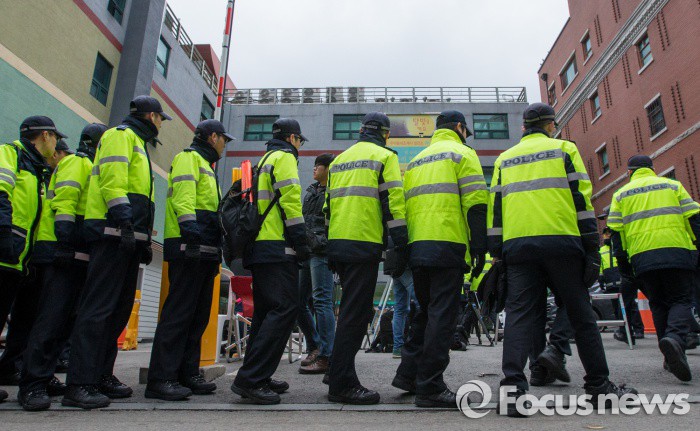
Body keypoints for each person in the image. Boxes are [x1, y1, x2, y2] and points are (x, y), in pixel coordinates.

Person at [488, 103, 635, 417]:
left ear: (524, 127)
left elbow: (496, 209)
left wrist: (497, 252)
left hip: (519, 247)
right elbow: (582, 201)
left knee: (520, 317)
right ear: (550, 125)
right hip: (562, 244)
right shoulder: (564, 149)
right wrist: (591, 248)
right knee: (581, 315)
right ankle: (598, 387)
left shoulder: (504, 159)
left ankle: (513, 392)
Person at [63, 96, 170, 409]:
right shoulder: (120, 136)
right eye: (160, 118)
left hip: (126, 238)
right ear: (151, 116)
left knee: (118, 310)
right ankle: (79, 383)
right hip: (111, 234)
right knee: (98, 309)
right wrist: (125, 223)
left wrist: (140, 239)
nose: (161, 123)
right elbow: (112, 182)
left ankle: (100, 375)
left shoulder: (137, 142)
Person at [392, 110, 488, 408]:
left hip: (418, 246)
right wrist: (480, 247)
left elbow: (404, 206)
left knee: (425, 312)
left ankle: (408, 374)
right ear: (460, 127)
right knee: (443, 315)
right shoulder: (463, 154)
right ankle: (431, 386)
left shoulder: (417, 161)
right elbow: (476, 204)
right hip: (448, 243)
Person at [18, 126, 106, 411]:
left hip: (74, 253)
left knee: (65, 321)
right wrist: (65, 239)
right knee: (51, 319)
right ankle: (32, 385)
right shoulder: (78, 163)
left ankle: (43, 377)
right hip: (60, 252)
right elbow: (65, 201)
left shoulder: (90, 166)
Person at [146, 120, 233, 400]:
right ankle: (161, 379)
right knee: (178, 315)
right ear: (213, 137)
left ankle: (187, 373)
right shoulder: (188, 158)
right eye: (224, 140)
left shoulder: (206, 166)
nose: (224, 146)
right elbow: (183, 200)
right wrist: (191, 234)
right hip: (189, 248)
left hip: (204, 250)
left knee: (197, 316)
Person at [325, 112, 408, 405]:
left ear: (361, 131)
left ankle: (335, 371)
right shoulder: (385, 157)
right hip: (363, 242)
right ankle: (342, 383)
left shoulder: (339, 160)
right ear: (385, 134)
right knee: (356, 315)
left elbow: (327, 207)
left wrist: (330, 245)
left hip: (338, 242)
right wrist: (402, 243)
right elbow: (393, 203)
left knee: (348, 310)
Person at [230, 118, 310, 405]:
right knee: (285, 308)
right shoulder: (285, 158)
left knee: (265, 313)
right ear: (292, 138)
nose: (299, 146)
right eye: (300, 140)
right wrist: (301, 240)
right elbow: (290, 201)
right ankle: (251, 378)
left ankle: (257, 374)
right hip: (277, 246)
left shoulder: (264, 159)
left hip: (260, 246)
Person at [607, 155, 700, 382]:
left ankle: (670, 357)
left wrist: (624, 267)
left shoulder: (620, 195)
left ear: (629, 172)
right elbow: (694, 219)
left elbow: (616, 235)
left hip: (642, 258)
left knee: (658, 303)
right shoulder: (672, 186)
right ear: (652, 168)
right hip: (677, 251)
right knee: (681, 299)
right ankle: (675, 339)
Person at [0, 116, 62, 403]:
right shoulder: (10, 154)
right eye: (55, 138)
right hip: (6, 253)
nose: (56, 145)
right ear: (45, 136)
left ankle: (7, 368)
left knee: (15, 319)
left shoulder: (38, 169)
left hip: (20, 259)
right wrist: (3, 235)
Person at [299, 153, 336, 374]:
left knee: (322, 301)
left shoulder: (333, 191)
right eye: (314, 165)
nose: (314, 169)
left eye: (319, 165)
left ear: (328, 169)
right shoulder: (311, 192)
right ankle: (315, 346)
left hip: (321, 251)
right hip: (306, 250)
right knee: (297, 301)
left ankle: (327, 356)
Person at [599, 226, 645, 342]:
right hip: (610, 283)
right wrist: (601, 279)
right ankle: (624, 330)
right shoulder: (602, 250)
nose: (607, 236)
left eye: (609, 233)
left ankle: (637, 329)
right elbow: (601, 266)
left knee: (631, 305)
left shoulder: (619, 245)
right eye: (605, 234)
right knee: (617, 308)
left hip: (623, 279)